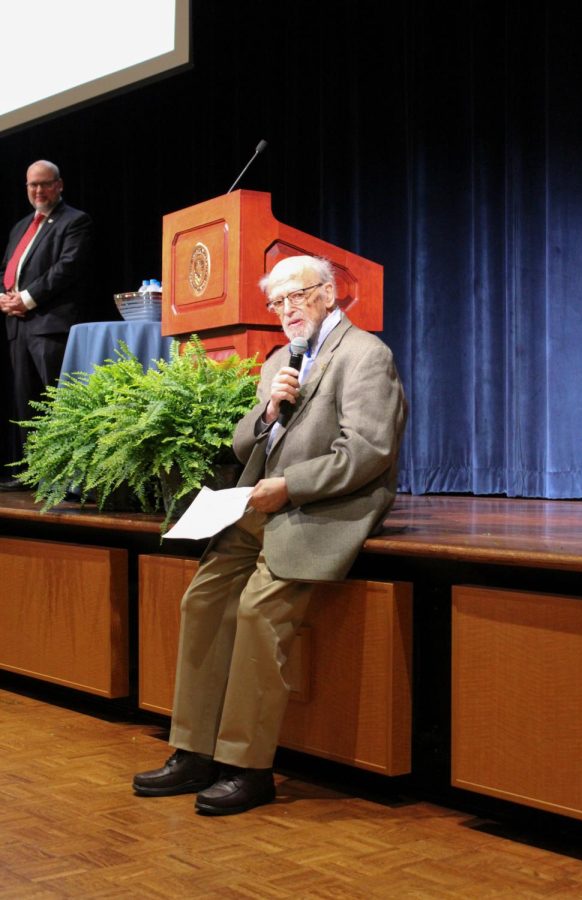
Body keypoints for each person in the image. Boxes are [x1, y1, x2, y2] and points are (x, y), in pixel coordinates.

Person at [133, 254, 407, 815]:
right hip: (264, 504)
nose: (286, 310)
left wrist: (290, 486)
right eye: (276, 302)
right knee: (202, 599)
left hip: (328, 504)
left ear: (329, 294)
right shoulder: (281, 359)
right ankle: (193, 750)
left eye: (297, 296)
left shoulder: (365, 355)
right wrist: (268, 414)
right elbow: (243, 448)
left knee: (258, 612)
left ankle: (247, 766)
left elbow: (369, 452)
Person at [0, 160, 93, 488]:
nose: (38, 190)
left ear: (59, 184)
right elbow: (7, 270)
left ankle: (66, 479)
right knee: (26, 404)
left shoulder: (74, 221)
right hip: (19, 327)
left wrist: (25, 298)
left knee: (54, 403)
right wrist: (4, 296)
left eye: (44, 184)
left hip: (49, 326)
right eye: (32, 185)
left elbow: (66, 268)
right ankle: (34, 475)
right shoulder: (20, 227)